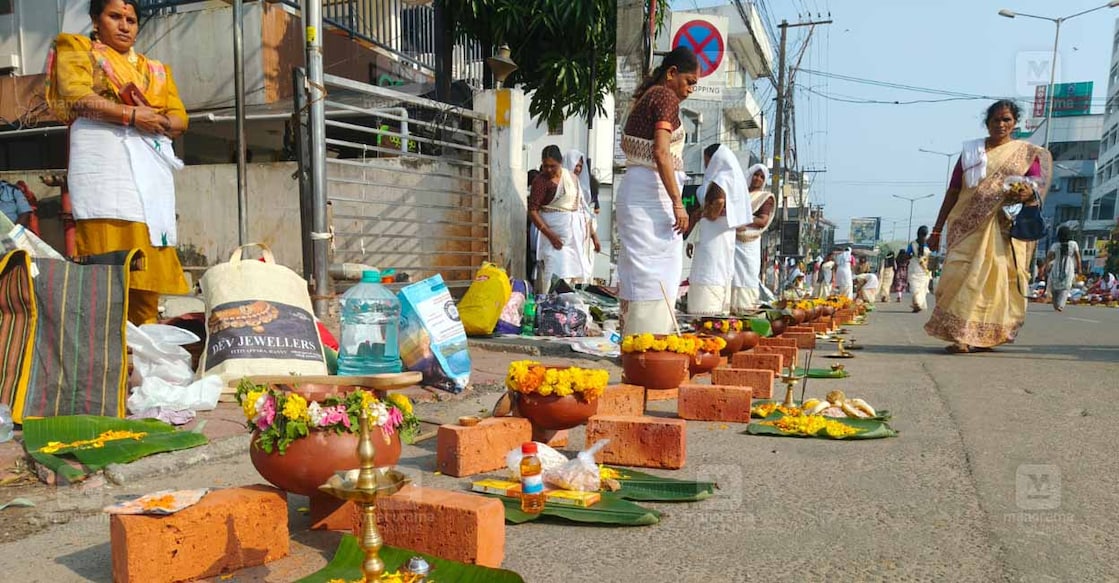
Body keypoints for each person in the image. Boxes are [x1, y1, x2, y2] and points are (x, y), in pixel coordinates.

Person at [45, 0, 190, 325]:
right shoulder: (77, 49)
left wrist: (161, 122)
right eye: (115, 17)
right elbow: (76, 96)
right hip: (105, 175)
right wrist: (132, 116)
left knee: (149, 264)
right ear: (96, 21)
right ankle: (109, 345)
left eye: (131, 20)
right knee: (108, 268)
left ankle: (147, 341)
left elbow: (180, 116)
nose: (124, 26)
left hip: (150, 178)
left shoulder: (156, 70)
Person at [925, 100, 1052, 353]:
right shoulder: (971, 152)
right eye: (996, 120)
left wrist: (1027, 192)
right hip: (965, 225)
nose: (1001, 124)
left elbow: (1036, 186)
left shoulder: (1026, 152)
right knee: (959, 276)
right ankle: (960, 335)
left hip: (1005, 227)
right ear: (987, 123)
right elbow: (953, 190)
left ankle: (985, 336)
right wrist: (937, 229)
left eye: (1007, 120)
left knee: (996, 283)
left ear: (1014, 123)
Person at [616, 46, 699, 335]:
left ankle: (636, 340)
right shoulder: (665, 97)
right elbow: (661, 153)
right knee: (657, 272)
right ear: (672, 73)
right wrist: (678, 203)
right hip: (652, 196)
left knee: (640, 270)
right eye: (689, 81)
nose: (690, 90)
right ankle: (650, 341)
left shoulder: (644, 97)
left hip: (637, 191)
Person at [687, 144, 751, 315]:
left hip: (713, 238)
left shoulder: (720, 179)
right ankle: (715, 313)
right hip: (723, 236)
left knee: (709, 271)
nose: (706, 165)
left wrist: (703, 213)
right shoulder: (732, 179)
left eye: (707, 161)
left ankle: (705, 313)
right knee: (720, 271)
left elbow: (717, 206)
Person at [528, 145, 597, 292]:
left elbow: (581, 209)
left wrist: (593, 235)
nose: (548, 169)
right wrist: (551, 235)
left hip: (574, 237)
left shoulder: (571, 178)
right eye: (545, 166)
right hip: (552, 236)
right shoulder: (540, 181)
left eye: (552, 166)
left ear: (560, 163)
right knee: (553, 275)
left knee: (572, 278)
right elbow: (533, 211)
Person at [729, 163, 776, 313]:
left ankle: (746, 308)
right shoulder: (739, 195)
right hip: (733, 239)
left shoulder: (764, 198)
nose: (758, 179)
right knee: (731, 273)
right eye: (756, 175)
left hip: (749, 242)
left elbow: (762, 221)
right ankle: (730, 307)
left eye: (762, 177)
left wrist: (743, 221)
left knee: (747, 273)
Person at [563, 149, 602, 281]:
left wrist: (594, 236)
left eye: (580, 166)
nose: (578, 169)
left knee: (581, 269)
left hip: (582, 233)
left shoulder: (581, 186)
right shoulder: (559, 183)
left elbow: (586, 213)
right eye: (576, 165)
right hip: (563, 232)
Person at [1044, 226, 1080, 312]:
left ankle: (1057, 304)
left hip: (1056, 268)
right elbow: (1078, 257)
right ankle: (1061, 305)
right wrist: (1079, 268)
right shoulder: (1073, 244)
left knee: (1054, 288)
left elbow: (1048, 256)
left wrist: (1047, 267)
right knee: (1065, 287)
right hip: (1069, 268)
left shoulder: (1055, 245)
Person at [907, 226, 933, 313]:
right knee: (922, 288)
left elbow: (907, 255)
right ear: (926, 234)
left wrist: (911, 256)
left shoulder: (912, 244)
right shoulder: (929, 244)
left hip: (914, 267)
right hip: (925, 269)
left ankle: (916, 303)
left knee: (915, 286)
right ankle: (918, 303)